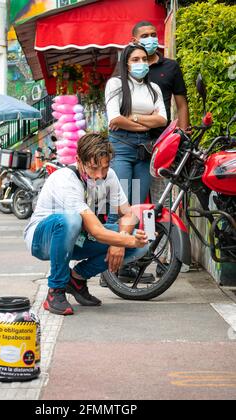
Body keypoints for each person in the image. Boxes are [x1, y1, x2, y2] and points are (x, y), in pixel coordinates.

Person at [24, 133, 149, 316]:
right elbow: (96, 230)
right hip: (42, 239)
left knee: (141, 246)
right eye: (93, 168)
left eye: (104, 167)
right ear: (78, 160)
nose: (99, 175)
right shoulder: (66, 179)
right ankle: (55, 290)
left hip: (77, 238)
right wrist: (125, 241)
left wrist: (120, 240)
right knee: (72, 219)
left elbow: (128, 214)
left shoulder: (110, 176)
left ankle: (76, 279)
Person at [131, 21, 190, 275]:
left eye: (154, 34)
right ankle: (131, 258)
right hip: (133, 147)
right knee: (134, 202)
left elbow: (182, 104)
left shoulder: (170, 67)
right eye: (145, 35)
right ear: (134, 40)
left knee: (162, 204)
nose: (151, 38)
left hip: (163, 147)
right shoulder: (130, 66)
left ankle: (163, 259)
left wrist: (182, 137)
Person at [105, 43, 167, 213]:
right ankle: (116, 238)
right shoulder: (115, 84)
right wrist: (146, 122)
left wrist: (134, 117)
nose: (141, 63)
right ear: (126, 63)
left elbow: (162, 120)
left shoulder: (154, 89)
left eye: (144, 59)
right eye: (135, 59)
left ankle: (137, 238)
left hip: (144, 150)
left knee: (138, 204)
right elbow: (115, 119)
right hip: (121, 148)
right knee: (121, 203)